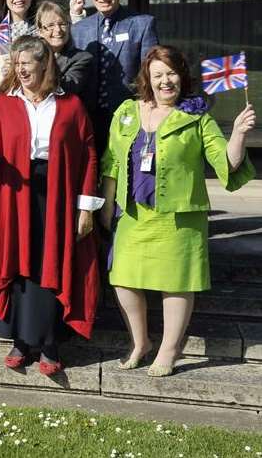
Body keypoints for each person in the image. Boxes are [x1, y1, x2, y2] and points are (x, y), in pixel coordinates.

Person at [100, 45, 255, 377]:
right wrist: (106, 207)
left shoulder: (197, 117)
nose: (165, 81)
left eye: (171, 73)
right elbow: (111, 162)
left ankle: (168, 351)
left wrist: (239, 134)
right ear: (147, 78)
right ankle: (140, 343)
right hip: (133, 213)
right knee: (122, 279)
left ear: (181, 78)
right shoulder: (127, 111)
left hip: (179, 218)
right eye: (158, 75)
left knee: (176, 283)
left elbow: (226, 163)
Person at [0, 36, 100, 375]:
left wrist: (86, 207)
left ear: (44, 64)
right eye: (17, 62)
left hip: (57, 194)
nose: (21, 69)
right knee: (19, 265)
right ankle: (21, 341)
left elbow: (89, 155)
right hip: (13, 194)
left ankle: (50, 342)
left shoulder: (70, 105)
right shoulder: (2, 103)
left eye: (27, 62)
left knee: (48, 264)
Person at [70, 0, 159, 152]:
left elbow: (152, 71)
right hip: (88, 117)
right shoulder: (79, 29)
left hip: (130, 115)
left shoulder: (142, 24)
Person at [35, 1, 94, 110]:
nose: (58, 30)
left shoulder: (82, 58)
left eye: (62, 24)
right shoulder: (32, 57)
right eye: (50, 25)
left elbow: (67, 88)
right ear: (40, 31)